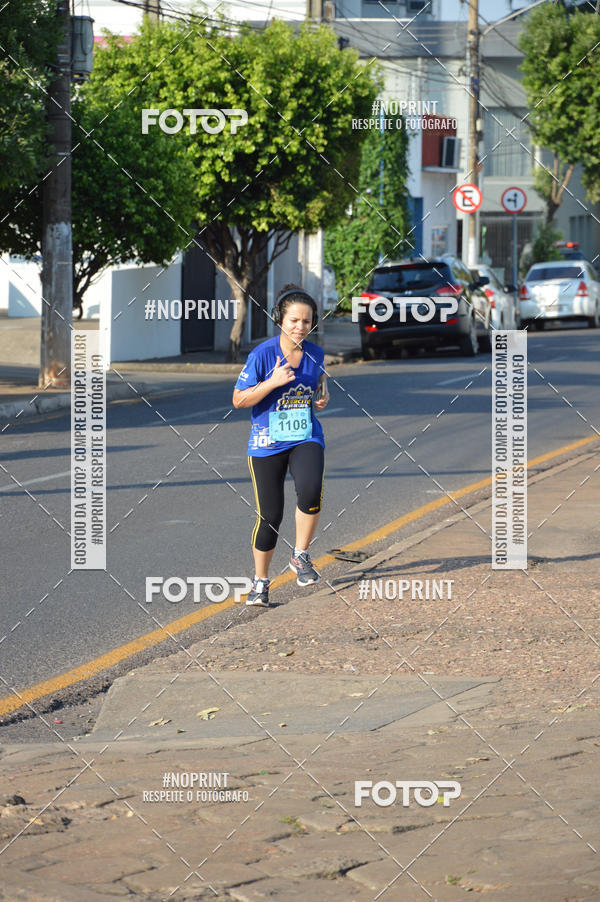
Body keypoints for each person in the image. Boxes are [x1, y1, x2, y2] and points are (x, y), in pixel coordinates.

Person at [232, 284, 330, 607]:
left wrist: (322, 397)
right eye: (294, 321)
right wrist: (272, 382)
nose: (300, 327)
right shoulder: (262, 354)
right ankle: (260, 581)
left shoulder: (316, 353)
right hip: (267, 443)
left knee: (311, 489)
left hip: (305, 436)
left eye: (307, 321)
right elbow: (238, 400)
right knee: (270, 516)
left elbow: (319, 382)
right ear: (279, 319)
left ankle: (300, 555)